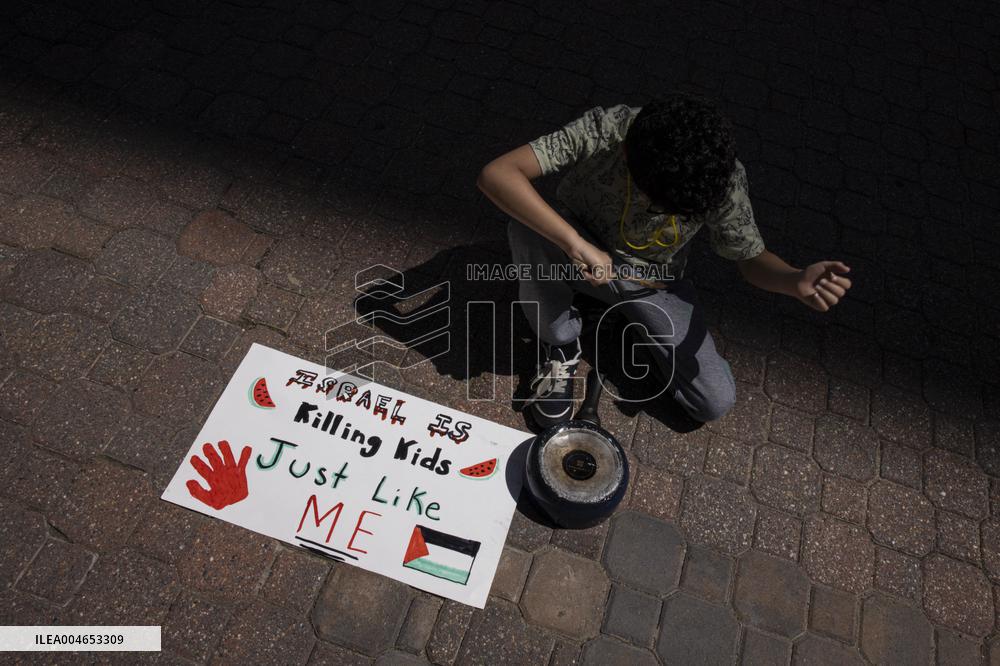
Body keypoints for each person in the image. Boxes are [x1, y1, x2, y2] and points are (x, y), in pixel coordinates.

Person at [477, 93, 852, 428]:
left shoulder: (720, 177)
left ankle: (625, 321)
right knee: (527, 226)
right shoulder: (611, 128)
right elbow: (497, 174)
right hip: (574, 249)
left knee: (714, 401)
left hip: (651, 280)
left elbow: (751, 259)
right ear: (627, 154)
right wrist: (574, 243)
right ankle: (559, 342)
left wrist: (793, 280)